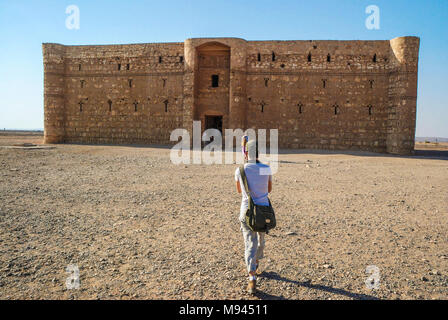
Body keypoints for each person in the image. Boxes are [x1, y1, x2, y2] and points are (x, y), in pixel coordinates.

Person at [234, 140, 272, 294]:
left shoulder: (240, 170)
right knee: (261, 240)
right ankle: (256, 261)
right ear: (258, 153)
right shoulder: (266, 168)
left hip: (247, 212)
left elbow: (238, 191)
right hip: (263, 212)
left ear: (246, 153)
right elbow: (269, 189)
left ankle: (252, 278)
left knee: (250, 243)